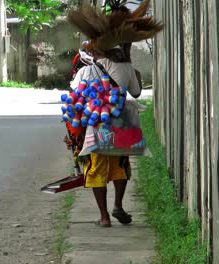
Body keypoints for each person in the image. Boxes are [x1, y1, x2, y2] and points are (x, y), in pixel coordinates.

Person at [66, 0, 162, 227]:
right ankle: (118, 204)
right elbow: (137, 93)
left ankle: (104, 216)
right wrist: (134, 72)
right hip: (123, 121)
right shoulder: (127, 67)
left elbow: (75, 101)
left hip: (98, 121)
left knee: (96, 168)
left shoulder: (87, 69)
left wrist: (72, 135)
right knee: (121, 166)